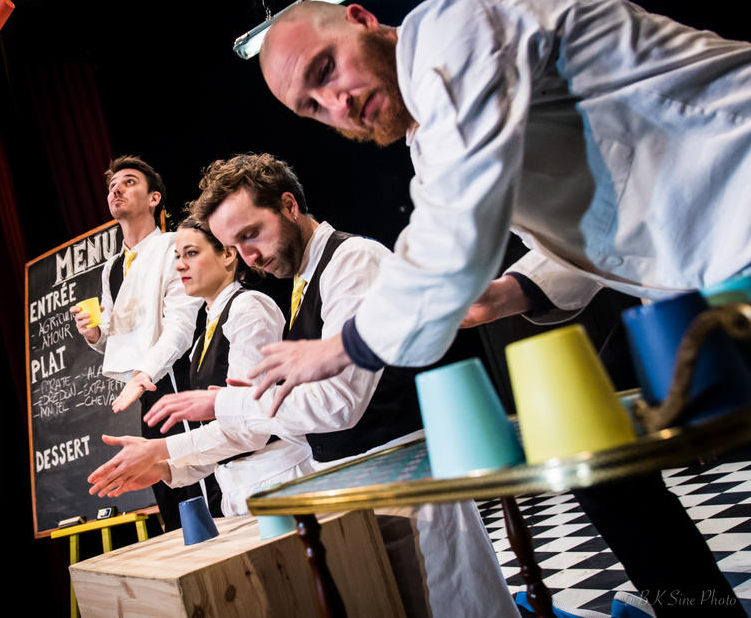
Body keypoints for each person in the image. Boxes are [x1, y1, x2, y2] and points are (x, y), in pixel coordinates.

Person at [252, 0, 749, 615]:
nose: (336, 103)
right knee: (589, 449)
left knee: (598, 451)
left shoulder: (454, 26)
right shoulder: (430, 137)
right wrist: (513, 291)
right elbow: (604, 210)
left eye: (326, 70)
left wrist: (340, 347)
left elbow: (457, 219)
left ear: (362, 18)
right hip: (707, 276)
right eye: (313, 108)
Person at [98, 153, 517, 618]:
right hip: (355, 488)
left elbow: (338, 404)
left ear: (289, 205)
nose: (250, 257)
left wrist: (225, 407)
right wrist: (179, 453)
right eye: (236, 243)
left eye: (251, 234)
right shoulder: (303, 282)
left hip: (404, 484)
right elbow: (295, 416)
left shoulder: (351, 261)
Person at [88, 216, 315, 516]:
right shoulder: (203, 338)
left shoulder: (249, 309)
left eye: (191, 253)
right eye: (177, 257)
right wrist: (164, 469)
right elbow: (224, 441)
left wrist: (158, 449)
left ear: (228, 254)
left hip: (282, 486)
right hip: (242, 496)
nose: (180, 266)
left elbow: (250, 427)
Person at [70, 155, 212, 531]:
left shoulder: (173, 246)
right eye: (112, 185)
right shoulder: (111, 269)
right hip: (145, 394)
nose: (117, 188)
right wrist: (95, 335)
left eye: (129, 181)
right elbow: (122, 338)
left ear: (154, 198)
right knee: (170, 500)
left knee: (201, 491)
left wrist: (144, 373)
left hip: (182, 382)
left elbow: (181, 326)